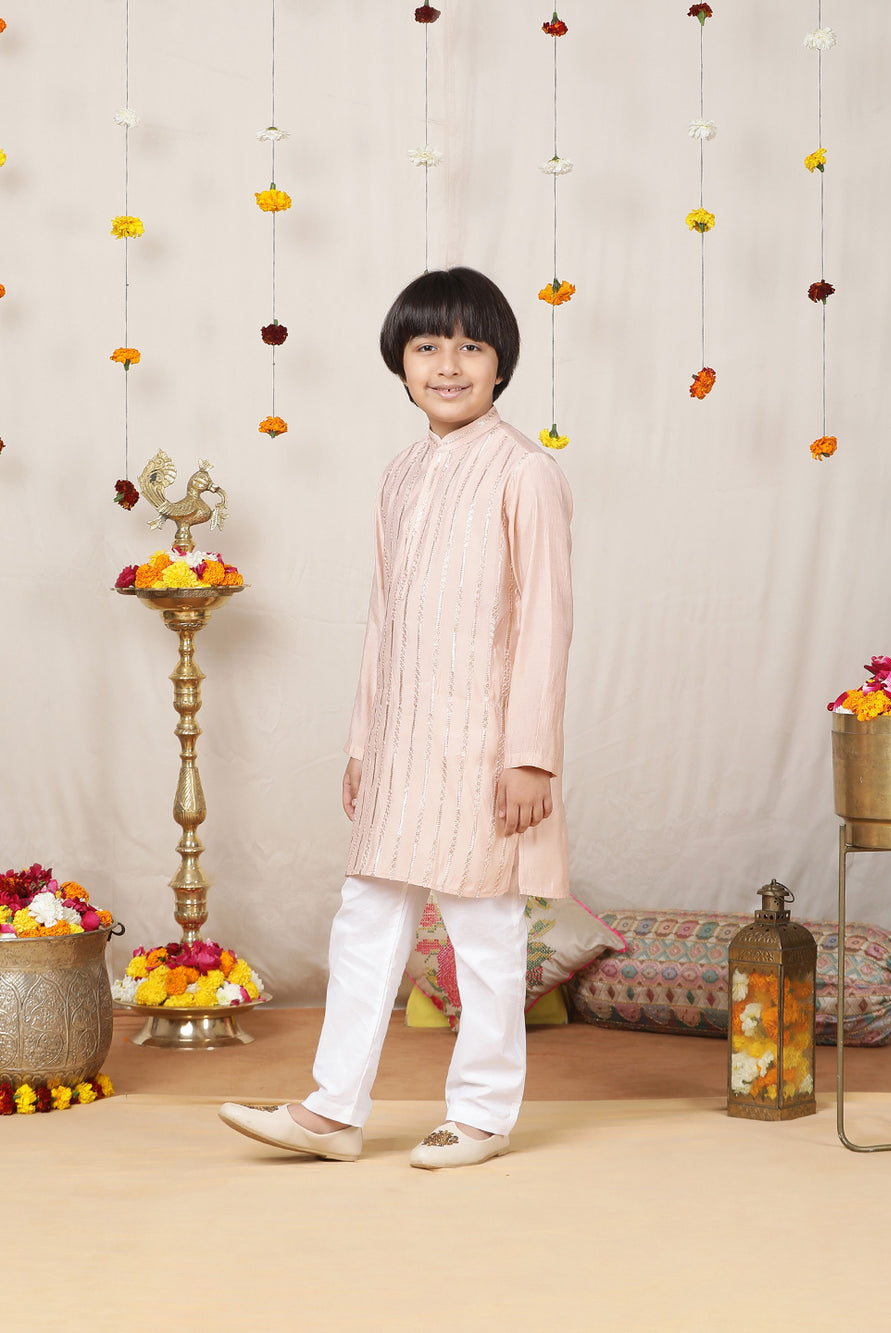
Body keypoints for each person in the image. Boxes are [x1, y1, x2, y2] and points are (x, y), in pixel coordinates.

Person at [219, 267, 573, 1168]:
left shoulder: (526, 471)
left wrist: (530, 754)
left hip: (485, 746)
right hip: (402, 743)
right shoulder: (402, 473)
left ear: (501, 363)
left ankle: (483, 1113)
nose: (448, 365)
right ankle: (333, 1110)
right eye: (427, 346)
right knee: (365, 919)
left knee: (484, 929)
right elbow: (384, 616)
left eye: (470, 346)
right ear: (401, 362)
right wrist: (362, 741)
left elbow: (546, 618)